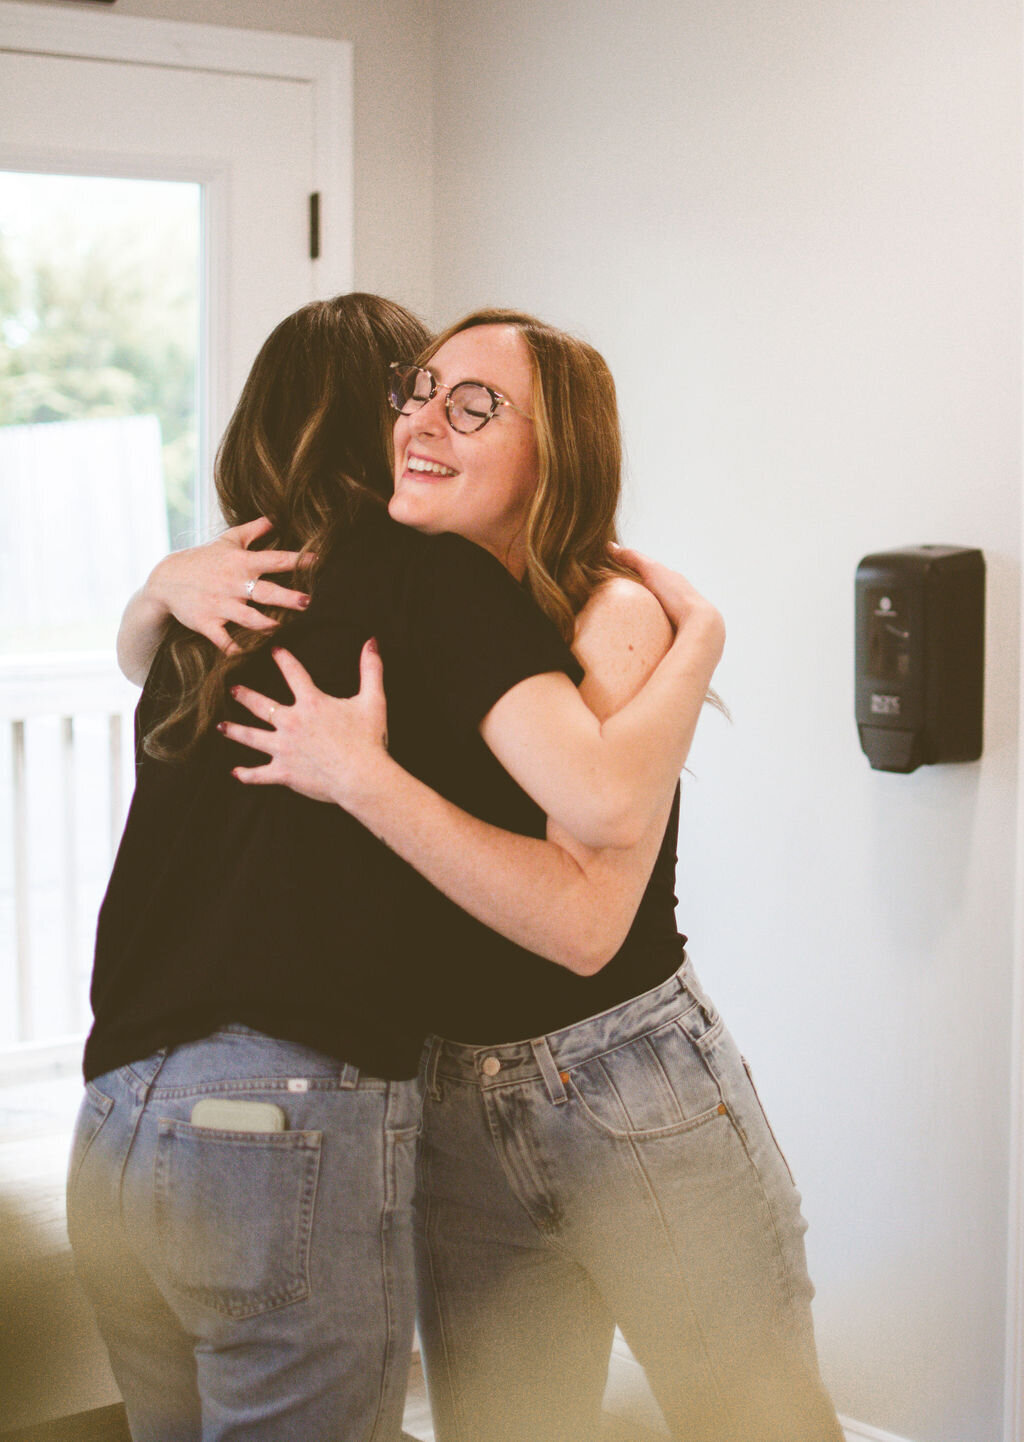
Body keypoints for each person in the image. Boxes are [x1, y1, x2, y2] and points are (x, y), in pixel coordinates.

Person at [170, 308, 845, 1441]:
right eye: (418, 388)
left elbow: (586, 920)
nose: (422, 418)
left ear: (554, 453)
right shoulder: (401, 596)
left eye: (473, 403)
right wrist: (156, 593)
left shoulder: (611, 609)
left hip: (625, 1082)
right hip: (447, 1103)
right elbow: (165, 677)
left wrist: (701, 639)